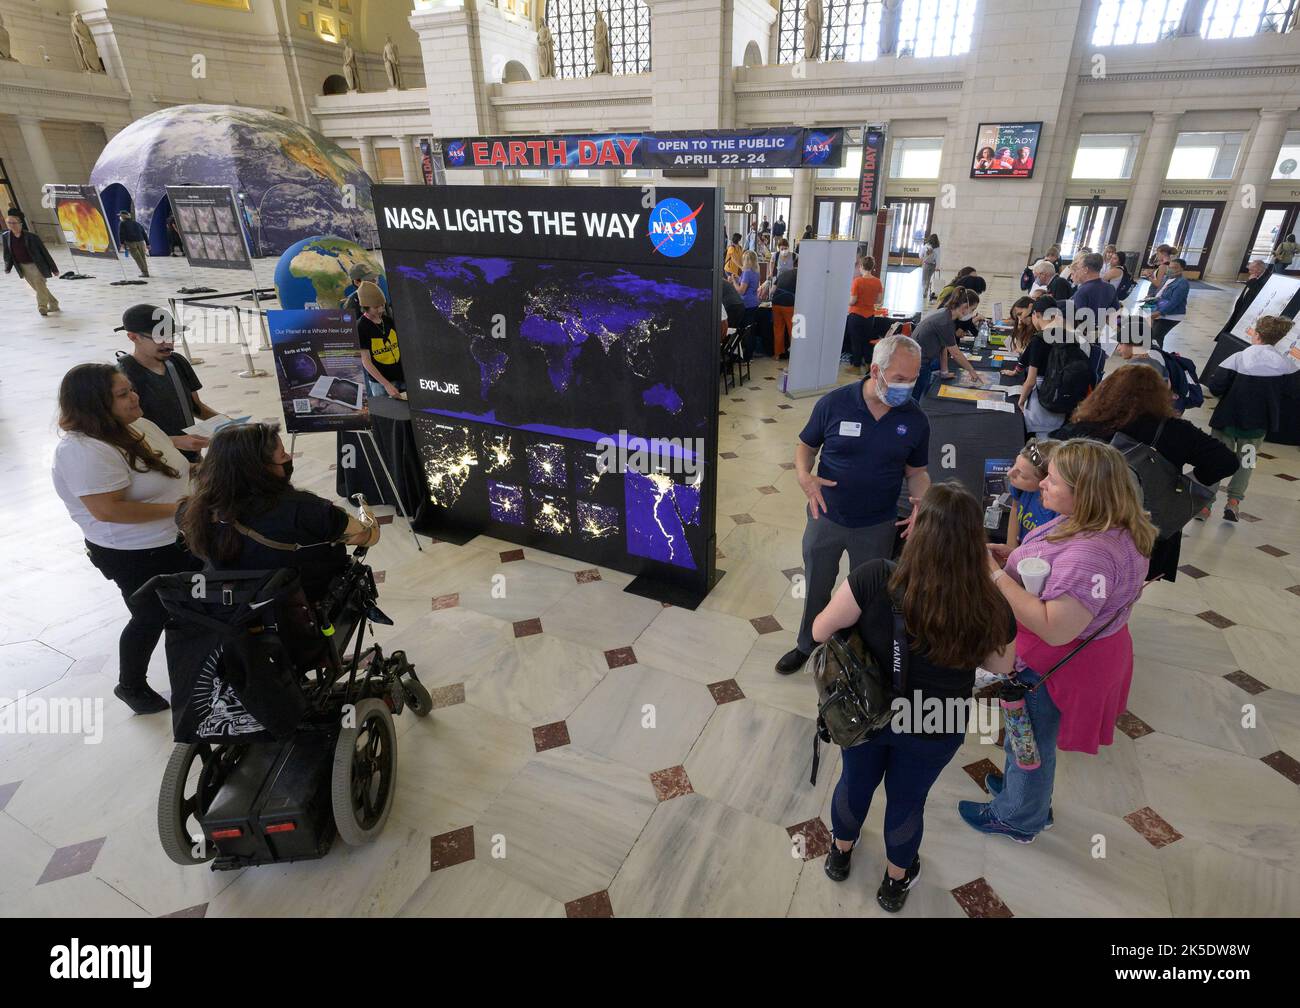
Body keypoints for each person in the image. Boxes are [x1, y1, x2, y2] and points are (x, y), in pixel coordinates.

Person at [813, 482, 1016, 911]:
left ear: (917, 532)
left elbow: (819, 631)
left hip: (867, 711)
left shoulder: (874, 576)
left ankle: (840, 854)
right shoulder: (990, 603)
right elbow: (1001, 667)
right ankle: (895, 881)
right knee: (907, 801)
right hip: (935, 722)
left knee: (855, 783)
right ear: (974, 541)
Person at [960, 439, 1155, 843]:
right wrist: (1010, 560)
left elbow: (1055, 627)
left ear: (1084, 493)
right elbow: (1047, 566)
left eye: (1053, 479)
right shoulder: (1101, 521)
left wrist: (994, 577)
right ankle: (1025, 795)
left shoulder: (1092, 555)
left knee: (1029, 738)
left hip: (1057, 665)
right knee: (1025, 737)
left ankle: (1019, 816)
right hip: (1071, 655)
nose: (1043, 484)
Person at [777, 334, 931, 674]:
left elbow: (917, 472)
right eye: (900, 379)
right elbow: (806, 445)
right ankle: (807, 644)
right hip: (826, 516)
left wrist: (924, 501)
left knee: (867, 596)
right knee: (817, 585)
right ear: (876, 371)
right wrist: (804, 474)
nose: (907, 387)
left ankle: (857, 656)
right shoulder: (834, 404)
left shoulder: (915, 419)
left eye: (914, 378)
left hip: (877, 523)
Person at [52, 363, 200, 714]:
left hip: (175, 535)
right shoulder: (84, 451)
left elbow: (174, 466)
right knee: (151, 616)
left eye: (131, 389)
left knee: (195, 605)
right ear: (94, 405)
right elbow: (108, 510)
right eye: (123, 395)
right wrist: (180, 508)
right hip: (133, 552)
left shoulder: (137, 425)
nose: (135, 397)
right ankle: (131, 684)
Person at [1052, 363, 1237, 581]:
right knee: (1130, 584)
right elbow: (1227, 462)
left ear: (1108, 390)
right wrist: (1183, 482)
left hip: (1088, 517)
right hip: (1146, 525)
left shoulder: (1090, 425)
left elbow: (1053, 454)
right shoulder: (1176, 430)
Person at [177, 423, 380, 603]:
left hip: (238, 608)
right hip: (304, 604)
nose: (290, 458)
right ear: (259, 469)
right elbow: (367, 536)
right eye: (283, 455)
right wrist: (366, 511)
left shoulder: (194, 510)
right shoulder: (307, 510)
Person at [1205, 315, 1298, 522]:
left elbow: (1216, 386)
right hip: (1257, 426)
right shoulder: (1286, 365)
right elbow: (1293, 392)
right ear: (1279, 338)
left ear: (1256, 334)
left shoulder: (1238, 358)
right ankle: (1234, 502)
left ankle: (1206, 504)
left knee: (1217, 459)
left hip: (1227, 421)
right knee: (1246, 462)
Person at [115, 304, 219, 462]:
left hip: (191, 455)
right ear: (133, 337)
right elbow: (124, 432)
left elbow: (195, 406)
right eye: (159, 338)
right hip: (153, 460)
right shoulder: (122, 376)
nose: (168, 344)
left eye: (172, 336)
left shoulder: (177, 362)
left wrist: (226, 422)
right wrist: (175, 441)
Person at [1016, 296, 1077, 439]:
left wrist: (1021, 400)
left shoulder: (1039, 339)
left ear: (1036, 315)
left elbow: (1030, 380)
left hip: (1042, 399)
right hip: (1063, 399)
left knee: (1040, 443)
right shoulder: (1069, 336)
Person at [909, 288, 983, 400]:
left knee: (921, 393)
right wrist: (971, 370)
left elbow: (943, 346)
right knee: (917, 397)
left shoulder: (947, 314)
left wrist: (944, 371)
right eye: (972, 310)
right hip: (919, 363)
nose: (972, 314)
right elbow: (955, 353)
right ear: (964, 307)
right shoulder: (944, 321)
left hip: (923, 359)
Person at [3, 209, 61, 316]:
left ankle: (42, 306)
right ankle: (53, 303)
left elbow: (45, 253)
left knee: (39, 285)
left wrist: (54, 269)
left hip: (36, 265)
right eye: (9, 223)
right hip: (22, 266)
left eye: (13, 223)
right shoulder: (6, 236)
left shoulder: (32, 237)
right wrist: (8, 267)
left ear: (20, 224)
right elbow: (8, 254)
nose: (11, 225)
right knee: (38, 288)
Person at [1005, 438, 1060, 550]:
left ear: (1045, 481)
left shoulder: (1058, 509)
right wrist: (1011, 547)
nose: (1009, 473)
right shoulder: (1020, 488)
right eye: (1015, 464)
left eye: (1023, 476)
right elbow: (1015, 507)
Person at [356, 280, 405, 399]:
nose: (380, 310)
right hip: (381, 384)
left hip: (400, 377)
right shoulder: (361, 327)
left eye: (382, 305)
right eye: (375, 307)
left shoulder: (388, 321)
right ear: (365, 307)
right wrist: (386, 384)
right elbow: (366, 361)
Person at [845, 256, 885, 368]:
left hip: (856, 315)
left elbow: (853, 301)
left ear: (861, 266)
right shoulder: (877, 282)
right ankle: (868, 362)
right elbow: (879, 300)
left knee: (855, 341)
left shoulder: (857, 281)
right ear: (872, 267)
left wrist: (846, 300)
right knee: (866, 340)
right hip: (869, 316)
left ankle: (856, 364)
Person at [1143, 257, 1189, 348]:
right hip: (1160, 310)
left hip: (1171, 315)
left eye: (1175, 268)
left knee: (1156, 336)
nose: (1171, 269)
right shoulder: (1168, 278)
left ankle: (1157, 357)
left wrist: (1160, 312)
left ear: (1182, 269)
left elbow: (1174, 302)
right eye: (1170, 267)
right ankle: (1152, 355)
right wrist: (1151, 296)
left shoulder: (1182, 283)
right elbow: (1161, 292)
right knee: (1153, 335)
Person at [1224, 259, 1269, 333]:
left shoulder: (1266, 278)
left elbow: (1258, 291)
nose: (1249, 272)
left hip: (1251, 307)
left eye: (1251, 270)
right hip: (1242, 304)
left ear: (1258, 270)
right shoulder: (1255, 276)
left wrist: (1252, 281)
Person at [732, 250, 761, 357]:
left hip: (746, 304)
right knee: (751, 330)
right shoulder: (756, 271)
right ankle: (750, 355)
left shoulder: (747, 272)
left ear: (746, 260)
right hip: (754, 302)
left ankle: (746, 356)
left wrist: (734, 282)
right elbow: (749, 284)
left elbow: (741, 291)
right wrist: (739, 278)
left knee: (745, 332)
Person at [771, 254, 797, 360]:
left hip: (776, 303)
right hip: (789, 305)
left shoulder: (783, 274)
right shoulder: (801, 275)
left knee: (778, 329)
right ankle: (795, 356)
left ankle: (777, 354)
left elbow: (772, 290)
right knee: (793, 330)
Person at [117, 210, 150, 278]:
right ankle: (145, 271)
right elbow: (144, 233)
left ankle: (144, 272)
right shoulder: (136, 223)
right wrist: (148, 243)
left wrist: (122, 243)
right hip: (141, 242)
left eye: (120, 216)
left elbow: (121, 234)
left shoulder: (122, 223)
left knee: (137, 258)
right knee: (142, 257)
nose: (120, 217)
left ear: (123, 217)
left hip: (131, 242)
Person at [920, 234, 939, 301]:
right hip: (933, 265)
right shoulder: (937, 248)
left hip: (926, 264)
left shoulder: (926, 246)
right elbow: (938, 258)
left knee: (924, 278)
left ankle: (924, 290)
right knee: (929, 278)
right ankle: (927, 289)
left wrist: (923, 258)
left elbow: (920, 255)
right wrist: (937, 266)